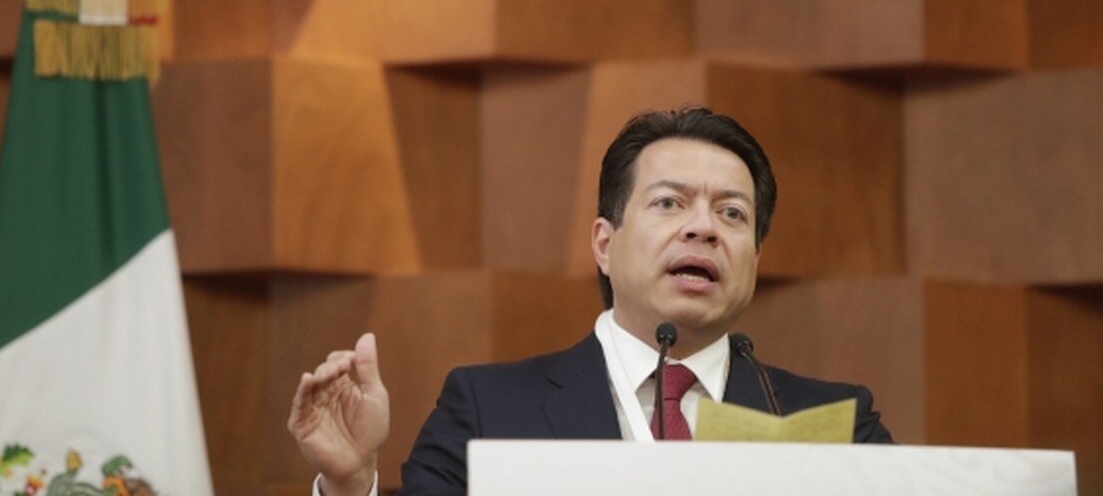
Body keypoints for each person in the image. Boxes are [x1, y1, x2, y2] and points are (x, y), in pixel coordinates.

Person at [289, 106, 892, 496]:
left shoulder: (838, 428)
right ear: (604, 244)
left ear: (755, 259)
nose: (704, 228)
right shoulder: (488, 411)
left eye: (732, 214)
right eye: (669, 203)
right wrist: (350, 484)